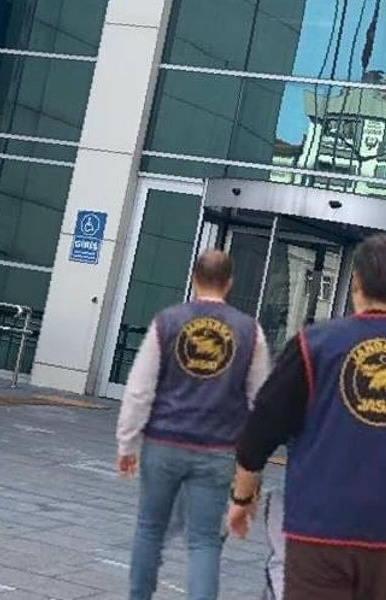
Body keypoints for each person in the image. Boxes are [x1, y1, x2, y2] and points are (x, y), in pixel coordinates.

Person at [229, 234, 386, 600]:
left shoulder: (313, 345)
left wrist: (242, 497)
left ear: (355, 282)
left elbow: (261, 430)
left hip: (318, 523)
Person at [116, 250, 271, 600]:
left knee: (149, 530)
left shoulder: (167, 322)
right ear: (229, 283)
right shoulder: (250, 331)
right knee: (204, 542)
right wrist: (252, 468)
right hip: (218, 450)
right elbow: (259, 403)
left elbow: (140, 389)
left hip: (163, 443)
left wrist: (127, 443)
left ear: (193, 278)